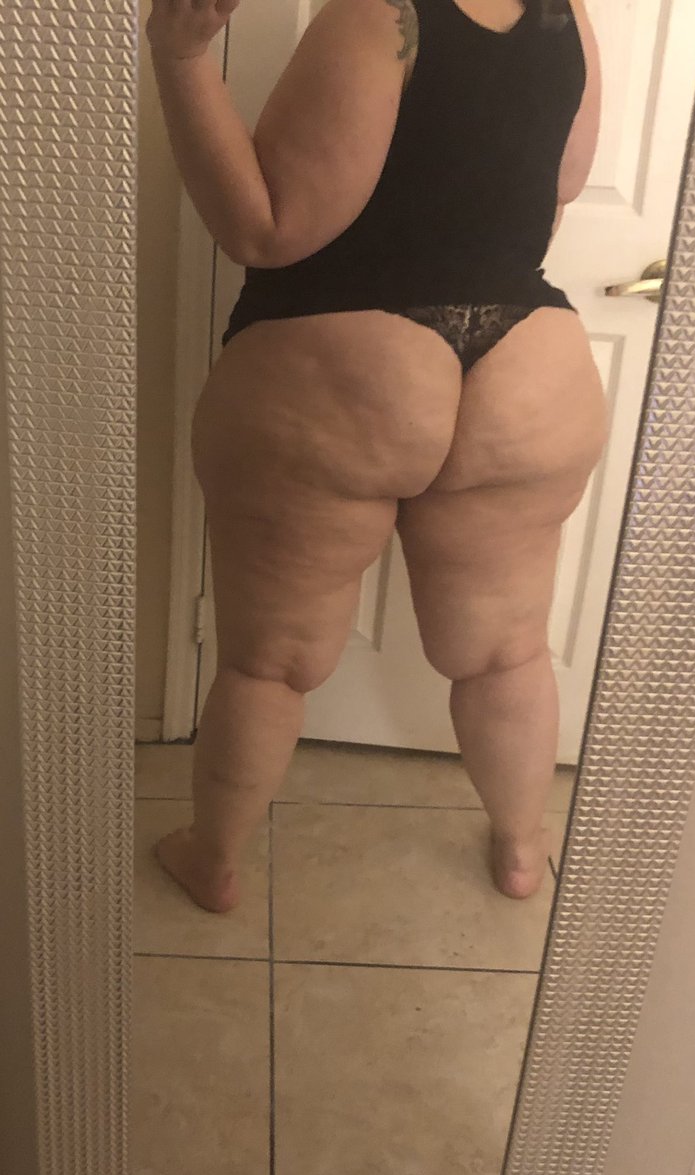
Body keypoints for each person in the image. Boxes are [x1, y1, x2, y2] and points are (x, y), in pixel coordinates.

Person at [146, 0, 608, 913]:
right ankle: (522, 850)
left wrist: (181, 57)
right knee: (506, 651)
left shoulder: (381, 12)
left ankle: (214, 859)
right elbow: (560, 185)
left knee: (270, 661)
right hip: (531, 367)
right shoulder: (568, 13)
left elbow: (266, 228)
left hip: (345, 366)